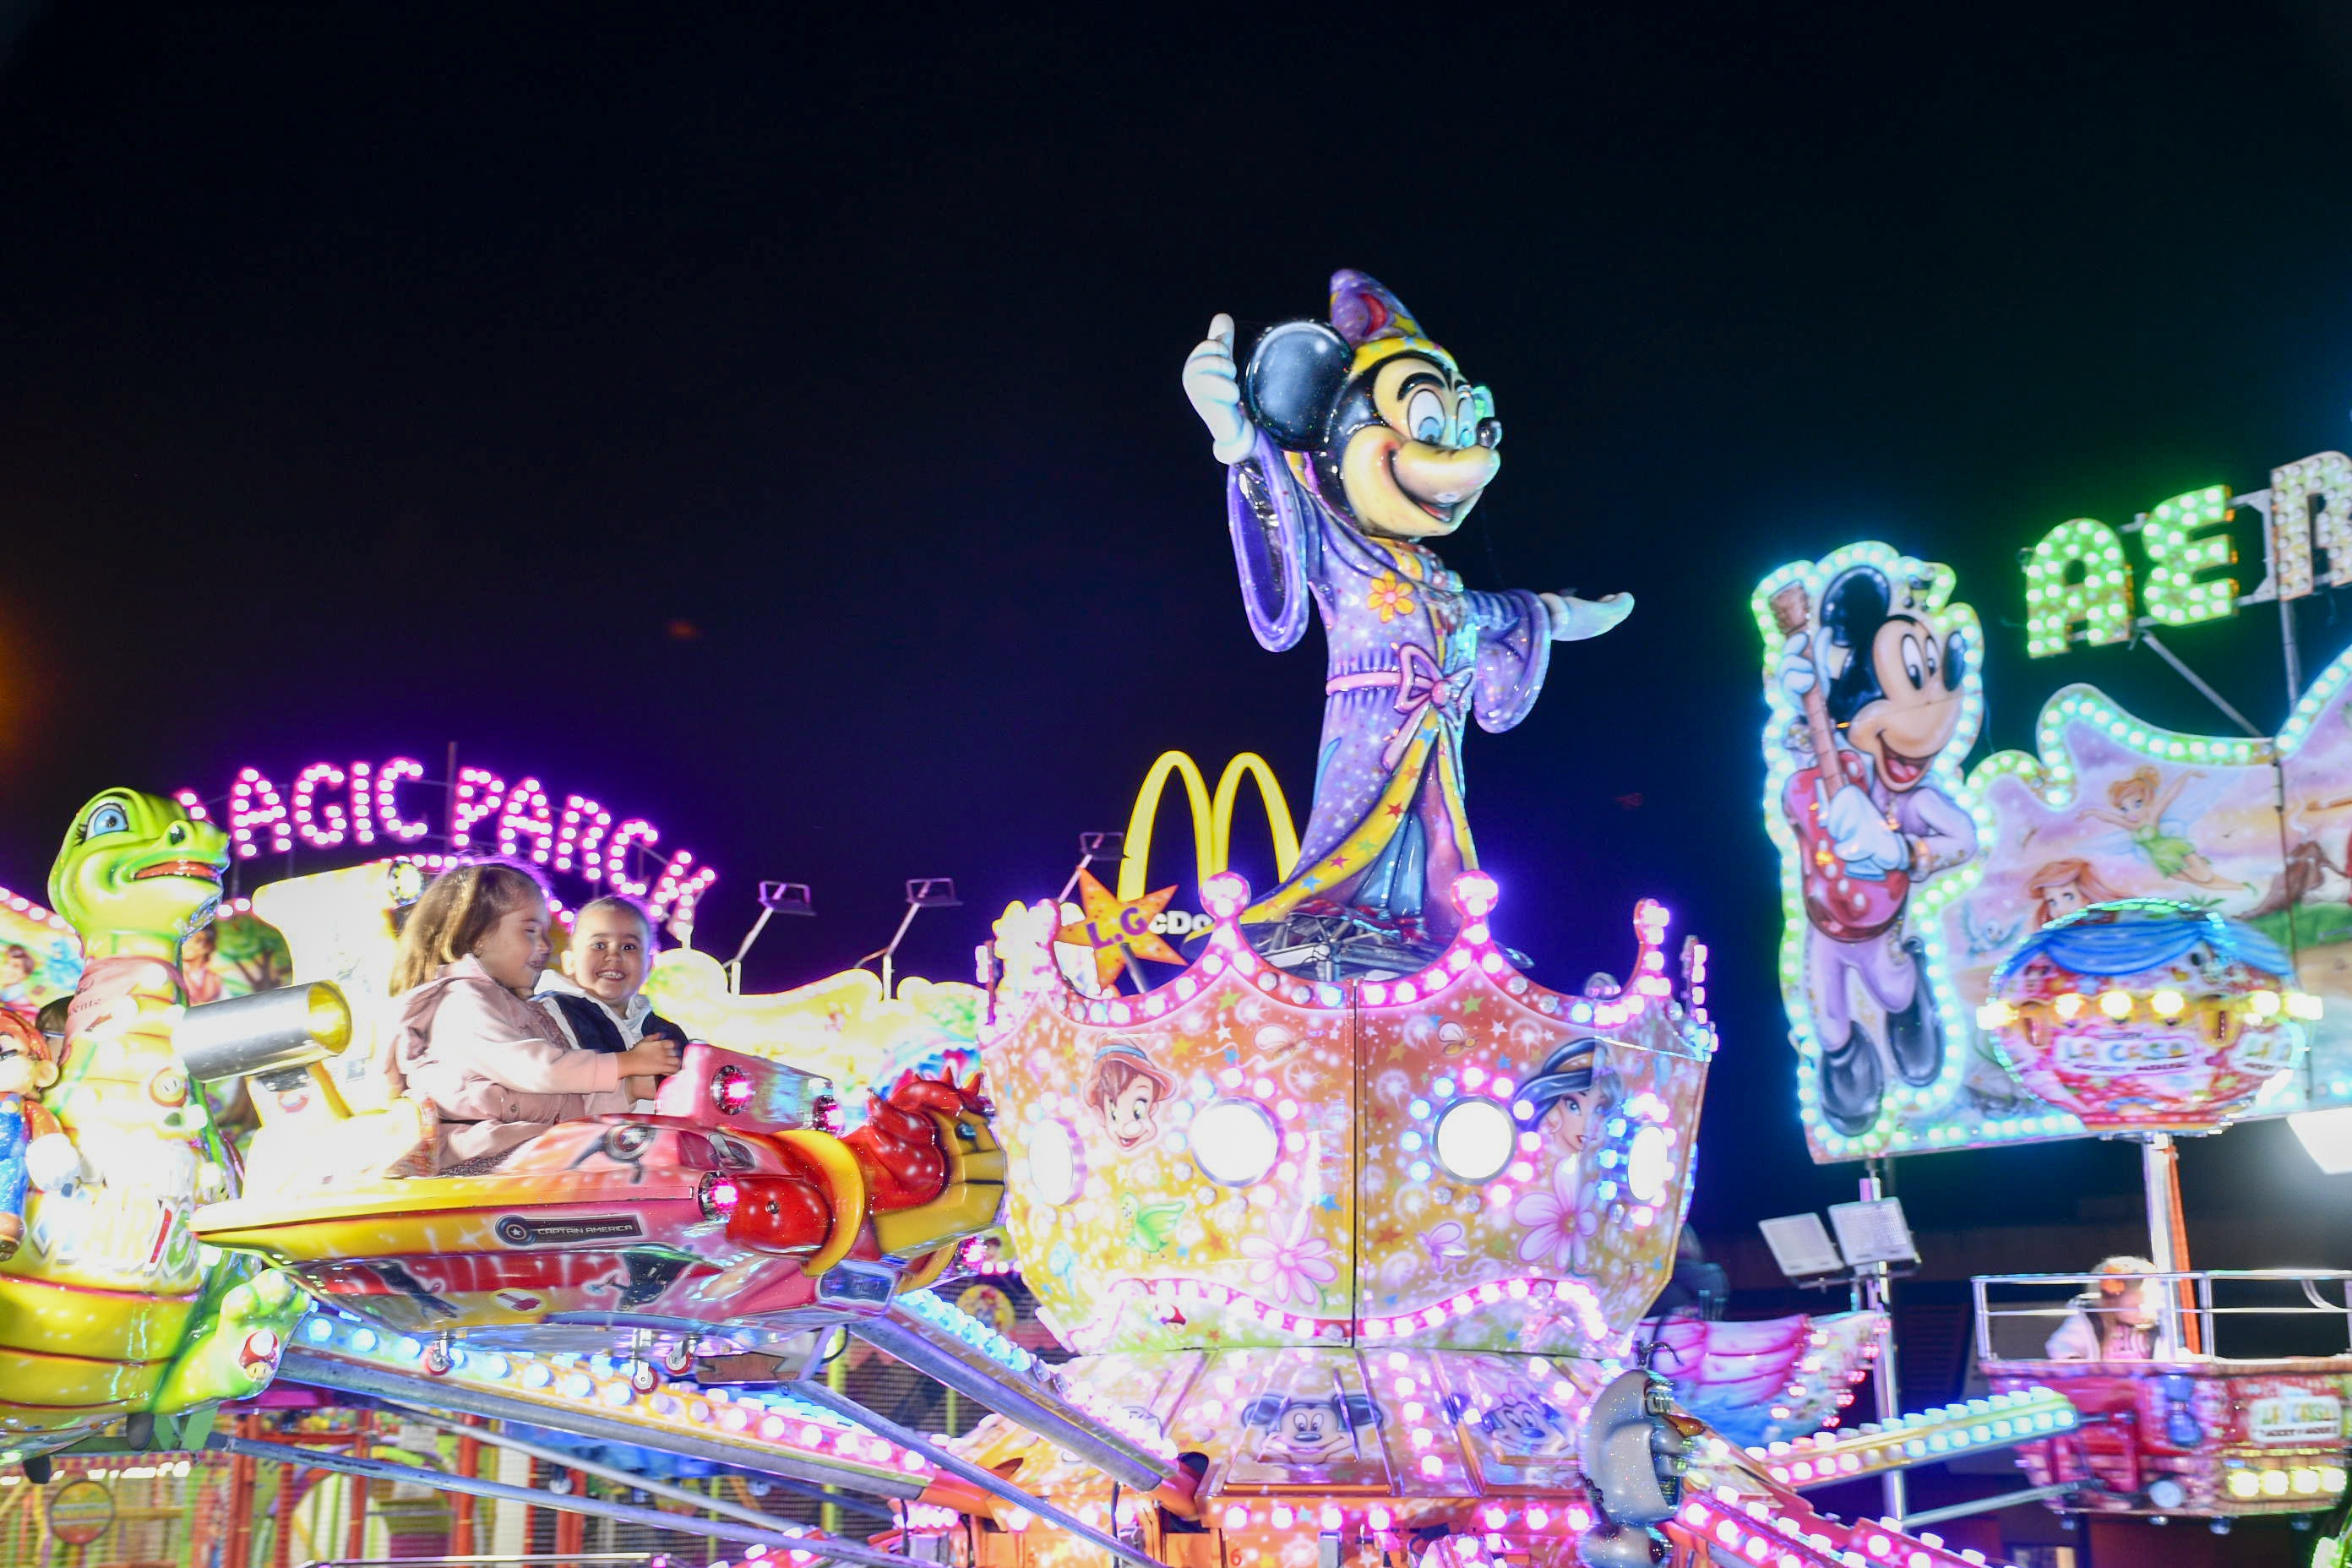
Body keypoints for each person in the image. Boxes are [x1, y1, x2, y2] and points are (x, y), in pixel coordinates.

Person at [380, 862, 679, 1171]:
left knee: (637, 1152)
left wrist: (628, 1090)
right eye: (530, 931)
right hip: (481, 1158)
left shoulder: (521, 1009)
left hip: (523, 1148)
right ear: (479, 936)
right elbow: (538, 1069)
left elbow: (564, 1101)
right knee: (627, 1159)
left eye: (545, 933)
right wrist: (624, 1063)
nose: (545, 945)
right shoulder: (461, 1004)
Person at [534, 896, 689, 1105]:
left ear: (649, 965)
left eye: (629, 947)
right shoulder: (548, 1015)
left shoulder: (665, 1031)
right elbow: (549, 1091)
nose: (613, 956)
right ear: (569, 962)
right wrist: (631, 1084)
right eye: (599, 945)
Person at [2045, 1255, 2166, 1360]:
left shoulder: (2160, 1324)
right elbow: (2060, 1345)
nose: (2144, 1310)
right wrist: (2072, 1360)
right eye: (2134, 1306)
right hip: (2101, 1383)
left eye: (2149, 1304)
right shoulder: (2088, 1321)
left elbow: (2171, 1349)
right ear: (2110, 1302)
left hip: (2145, 1383)